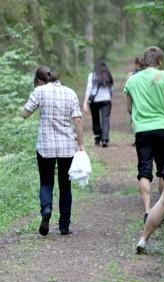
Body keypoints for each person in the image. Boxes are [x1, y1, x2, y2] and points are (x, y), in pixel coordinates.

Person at [22, 66, 84, 236]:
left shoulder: (39, 91)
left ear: (40, 80)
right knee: (65, 185)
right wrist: (81, 145)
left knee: (46, 182)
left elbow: (25, 114)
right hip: (67, 147)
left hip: (45, 146)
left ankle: (47, 209)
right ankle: (64, 226)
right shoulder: (70, 92)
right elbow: (77, 120)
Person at [123, 46, 164, 223]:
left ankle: (148, 210)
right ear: (160, 61)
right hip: (163, 128)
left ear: (144, 61)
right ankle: (160, 210)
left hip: (142, 130)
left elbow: (128, 108)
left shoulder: (132, 81)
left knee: (144, 171)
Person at [83, 59, 113, 147]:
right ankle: (105, 139)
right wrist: (110, 97)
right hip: (106, 100)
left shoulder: (92, 75)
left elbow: (89, 88)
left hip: (95, 100)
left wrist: (85, 102)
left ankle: (97, 138)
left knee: (95, 119)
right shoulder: (107, 75)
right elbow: (111, 88)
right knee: (105, 119)